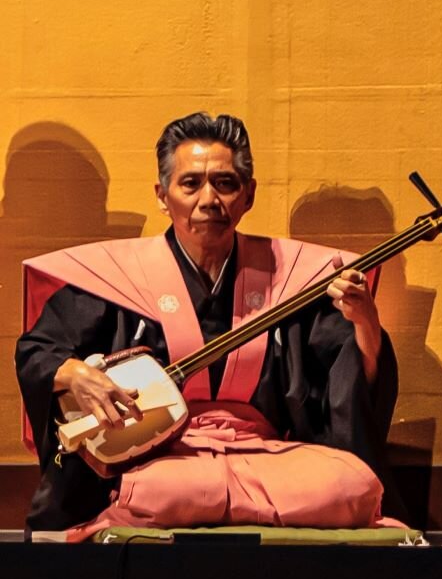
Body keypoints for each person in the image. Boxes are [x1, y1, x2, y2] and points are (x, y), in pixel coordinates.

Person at [17, 113, 399, 539]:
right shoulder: (118, 276)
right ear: (162, 196)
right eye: (190, 184)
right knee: (157, 488)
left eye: (225, 183)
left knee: (350, 484)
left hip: (267, 456)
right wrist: (75, 374)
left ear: (248, 195)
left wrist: (365, 323)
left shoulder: (292, 279)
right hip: (159, 454)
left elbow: (347, 385)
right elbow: (39, 351)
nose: (209, 199)